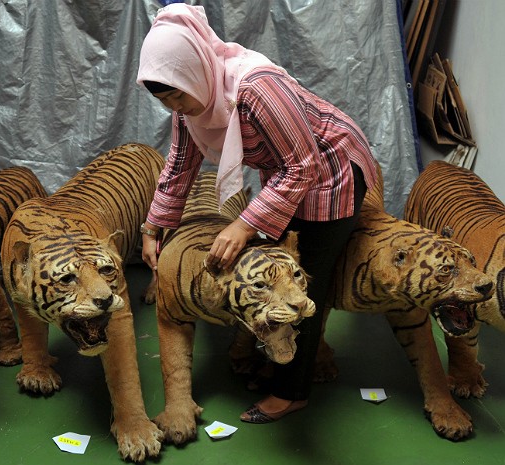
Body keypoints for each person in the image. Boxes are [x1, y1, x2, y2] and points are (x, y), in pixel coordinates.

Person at [136, 3, 378, 424]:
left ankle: (292, 392)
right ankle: (274, 356)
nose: (175, 106)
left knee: (304, 282)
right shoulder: (189, 106)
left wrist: (245, 223)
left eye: (177, 93)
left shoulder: (257, 88)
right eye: (164, 99)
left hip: (332, 170)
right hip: (289, 174)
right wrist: (153, 227)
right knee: (270, 270)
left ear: (196, 68)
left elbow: (306, 165)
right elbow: (179, 165)